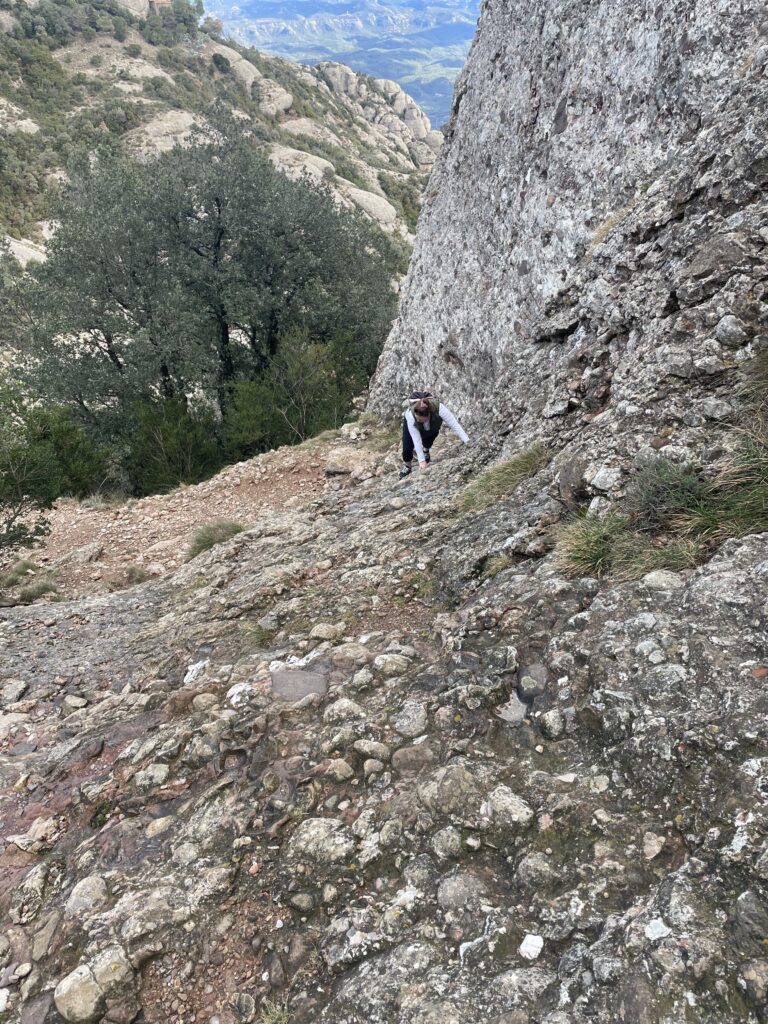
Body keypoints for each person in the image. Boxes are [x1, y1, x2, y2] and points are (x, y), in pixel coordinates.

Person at [399, 391, 469, 478]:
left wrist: (467, 441)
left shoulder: (439, 408)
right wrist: (422, 461)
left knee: (430, 435)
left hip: (432, 423)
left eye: (420, 420)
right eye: (417, 418)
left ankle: (426, 450)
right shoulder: (411, 416)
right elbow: (416, 439)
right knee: (407, 446)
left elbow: (454, 425)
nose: (418, 421)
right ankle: (407, 465)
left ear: (428, 415)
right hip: (409, 422)